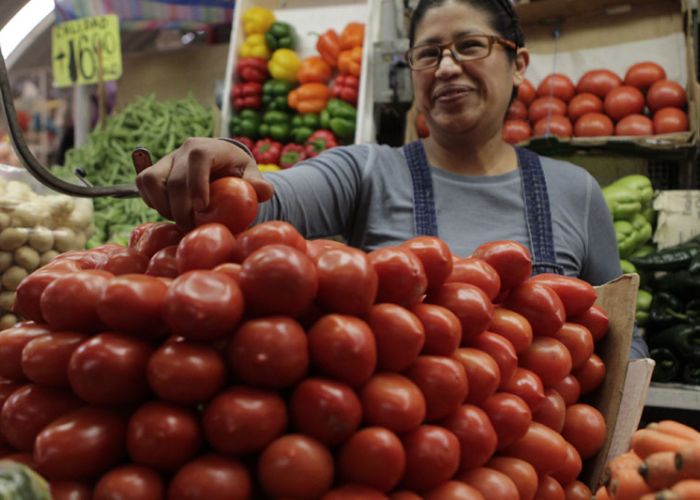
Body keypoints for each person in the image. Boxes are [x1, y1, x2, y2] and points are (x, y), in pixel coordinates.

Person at [135, 0, 649, 359]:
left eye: (469, 46)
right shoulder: (365, 171)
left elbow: (621, 334)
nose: (446, 68)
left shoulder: (575, 191)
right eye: (427, 54)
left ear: (518, 64)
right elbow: (272, 197)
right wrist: (233, 169)